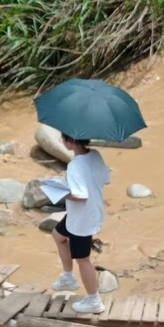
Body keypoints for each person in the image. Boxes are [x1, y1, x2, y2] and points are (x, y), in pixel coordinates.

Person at [50, 133, 110, 314]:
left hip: (82, 219)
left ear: (71, 141)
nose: (62, 142)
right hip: (90, 211)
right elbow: (106, 179)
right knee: (58, 235)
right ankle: (68, 278)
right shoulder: (95, 155)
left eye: (63, 139)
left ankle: (94, 301)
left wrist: (58, 191)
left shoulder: (75, 165)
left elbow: (80, 196)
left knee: (83, 260)